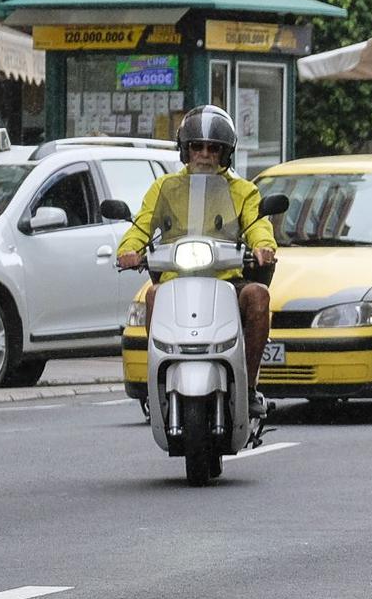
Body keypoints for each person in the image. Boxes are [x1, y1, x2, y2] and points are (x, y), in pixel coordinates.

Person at [116, 106, 277, 412]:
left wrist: (263, 246)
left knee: (259, 296)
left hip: (227, 279)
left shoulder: (244, 191)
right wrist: (129, 250)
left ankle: (250, 387)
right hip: (178, 278)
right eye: (196, 146)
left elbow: (258, 224)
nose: (204, 154)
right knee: (152, 294)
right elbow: (141, 224)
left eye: (213, 148)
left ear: (225, 154)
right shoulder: (164, 187)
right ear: (185, 151)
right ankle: (160, 382)